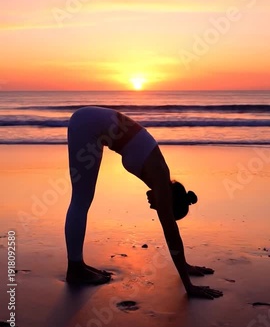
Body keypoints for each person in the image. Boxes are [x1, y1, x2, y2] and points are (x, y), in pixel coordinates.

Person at [65, 106, 223, 300]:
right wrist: (188, 286)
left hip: (91, 124)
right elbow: (171, 233)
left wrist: (186, 266)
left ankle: (78, 264)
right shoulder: (160, 180)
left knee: (83, 199)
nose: (153, 207)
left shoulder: (161, 176)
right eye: (160, 207)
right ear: (169, 201)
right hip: (88, 124)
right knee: (81, 199)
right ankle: (75, 269)